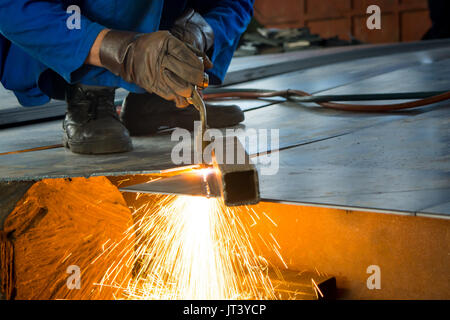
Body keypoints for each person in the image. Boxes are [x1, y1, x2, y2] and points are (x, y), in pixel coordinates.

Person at [0, 1, 254, 154]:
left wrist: (204, 30)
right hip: (69, 21)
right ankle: (90, 91)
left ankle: (160, 92)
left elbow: (239, 3)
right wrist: (120, 50)